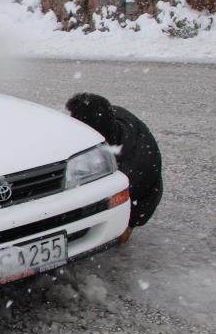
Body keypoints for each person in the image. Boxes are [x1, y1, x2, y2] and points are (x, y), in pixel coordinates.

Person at [66, 93, 162, 240]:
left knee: (116, 232)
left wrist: (130, 223)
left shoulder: (133, 169)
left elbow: (149, 195)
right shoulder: (110, 118)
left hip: (139, 201)